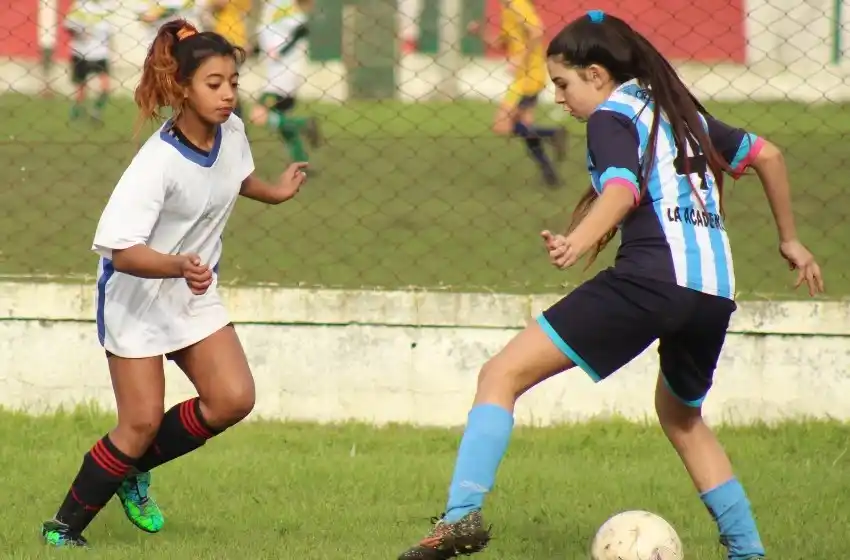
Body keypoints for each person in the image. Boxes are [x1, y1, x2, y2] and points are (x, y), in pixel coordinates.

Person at [397, 10, 824, 560]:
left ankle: (458, 520)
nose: (558, 98)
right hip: (713, 295)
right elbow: (768, 154)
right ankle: (748, 552)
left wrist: (578, 240)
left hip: (650, 281)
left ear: (596, 75)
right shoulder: (680, 111)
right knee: (682, 417)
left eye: (562, 83)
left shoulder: (612, 115)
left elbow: (621, 191)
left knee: (500, 374)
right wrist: (790, 239)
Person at [41, 18, 309, 548]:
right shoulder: (156, 163)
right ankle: (63, 529)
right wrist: (178, 265)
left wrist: (274, 193)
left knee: (233, 397)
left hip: (191, 290)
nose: (228, 93)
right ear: (182, 88)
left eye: (233, 81)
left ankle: (133, 471)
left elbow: (231, 176)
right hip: (137, 294)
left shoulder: (230, 130)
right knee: (137, 424)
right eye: (214, 84)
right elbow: (122, 251)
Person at [467, 0, 567, 188]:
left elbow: (537, 31)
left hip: (527, 79)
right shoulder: (507, 7)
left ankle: (552, 133)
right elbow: (501, 44)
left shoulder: (517, 3)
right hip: (529, 76)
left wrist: (519, 59)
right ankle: (550, 174)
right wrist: (479, 32)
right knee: (525, 128)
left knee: (501, 125)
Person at [250, 0, 321, 165]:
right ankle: (301, 162)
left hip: (282, 76)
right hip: (283, 74)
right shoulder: (273, 10)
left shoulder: (285, 7)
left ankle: (304, 123)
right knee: (283, 124)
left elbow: (301, 30)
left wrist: (281, 52)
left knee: (258, 115)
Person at [64, 0, 114, 124]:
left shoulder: (107, 7)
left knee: (106, 85)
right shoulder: (79, 6)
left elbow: (110, 30)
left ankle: (96, 111)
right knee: (81, 88)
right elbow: (67, 25)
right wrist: (80, 31)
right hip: (81, 52)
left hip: (100, 52)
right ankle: (75, 113)